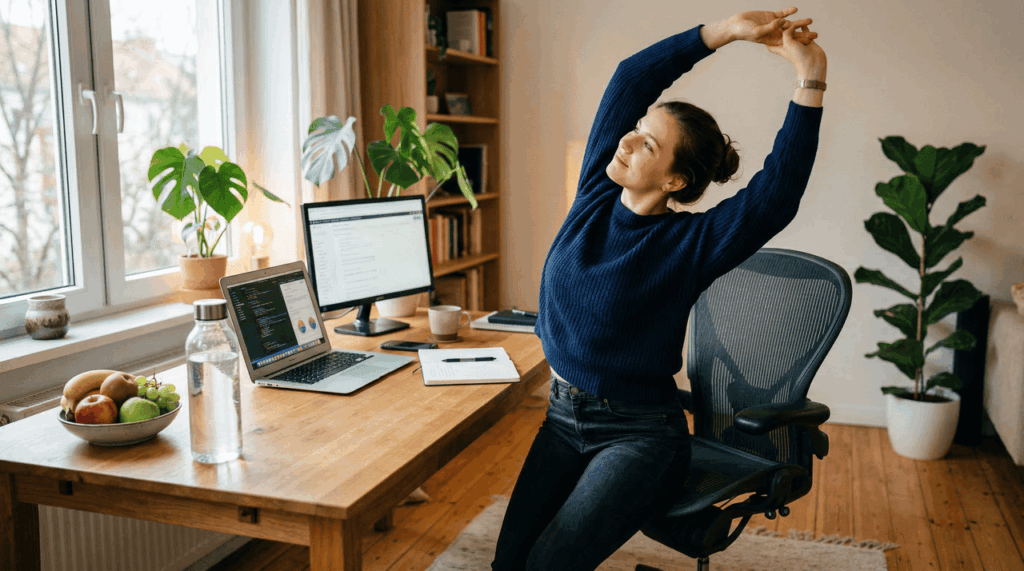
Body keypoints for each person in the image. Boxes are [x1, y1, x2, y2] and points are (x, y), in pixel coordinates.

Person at [491, 8, 827, 571]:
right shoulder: (595, 195)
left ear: (675, 181)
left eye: (648, 143)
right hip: (561, 418)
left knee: (546, 567)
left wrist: (809, 77)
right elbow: (630, 79)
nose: (626, 141)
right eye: (636, 129)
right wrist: (724, 31)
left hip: (638, 437)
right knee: (508, 565)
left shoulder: (690, 244)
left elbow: (776, 194)